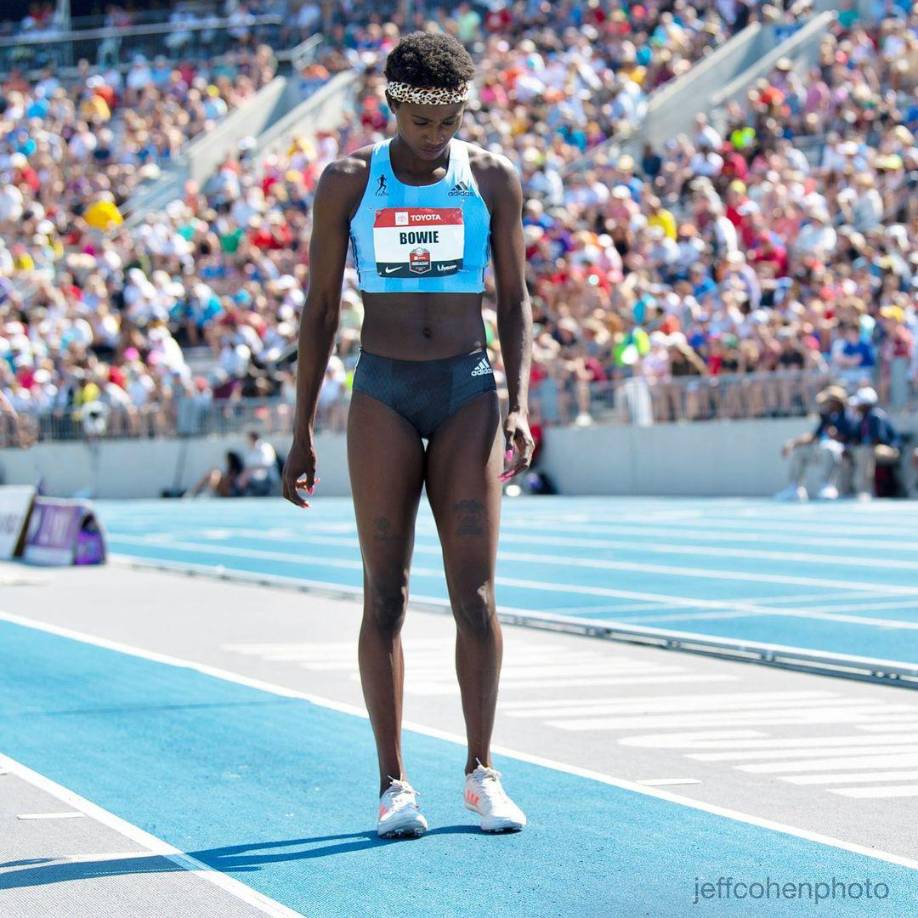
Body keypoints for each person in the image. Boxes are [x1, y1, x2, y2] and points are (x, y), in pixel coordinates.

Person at [282, 31, 534, 838]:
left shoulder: (491, 177)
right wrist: (300, 428)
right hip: (383, 394)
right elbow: (321, 308)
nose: (435, 136)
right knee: (384, 595)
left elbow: (515, 299)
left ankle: (482, 773)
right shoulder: (348, 181)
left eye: (449, 121)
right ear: (392, 107)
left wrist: (520, 402)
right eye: (421, 122)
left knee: (477, 597)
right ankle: (393, 785)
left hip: (467, 391)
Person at [775, 385, 851, 501]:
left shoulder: (847, 416)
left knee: (829, 447)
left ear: (836, 402)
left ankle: (827, 485)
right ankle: (796, 488)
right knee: (800, 451)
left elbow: (852, 436)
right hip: (821, 449)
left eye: (829, 402)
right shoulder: (827, 417)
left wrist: (837, 436)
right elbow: (814, 436)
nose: (826, 405)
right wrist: (793, 443)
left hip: (838, 450)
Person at [847, 386, 901, 500]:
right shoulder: (862, 418)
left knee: (865, 452)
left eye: (859, 404)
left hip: (890, 449)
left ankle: (866, 490)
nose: (857, 406)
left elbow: (879, 439)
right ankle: (850, 489)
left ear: (866, 404)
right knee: (853, 452)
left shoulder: (876, 416)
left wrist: (861, 445)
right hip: (872, 448)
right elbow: (855, 438)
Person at [239, 430, 278, 496]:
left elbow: (268, 462)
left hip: (267, 477)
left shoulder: (265, 447)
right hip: (253, 476)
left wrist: (253, 469)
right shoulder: (250, 450)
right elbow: (247, 464)